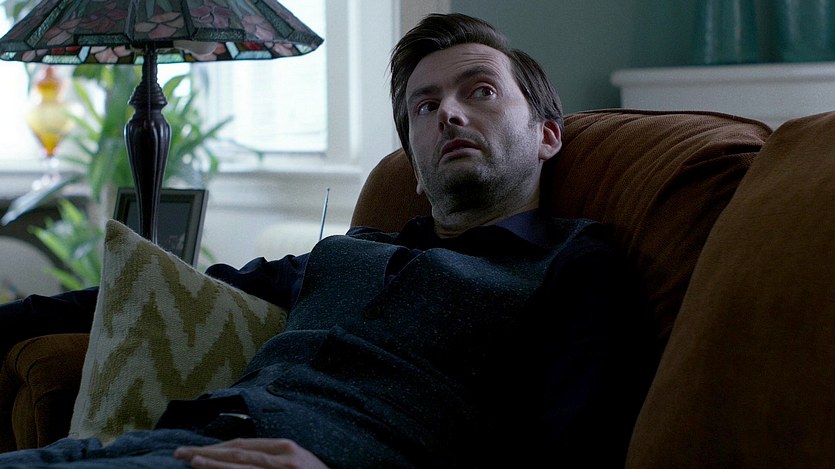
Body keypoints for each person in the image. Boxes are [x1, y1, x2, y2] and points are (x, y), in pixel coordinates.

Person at [0, 12, 654, 468]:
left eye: (479, 91)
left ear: (547, 136)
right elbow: (168, 292)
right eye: (425, 106)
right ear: (416, 171)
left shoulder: (574, 266)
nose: (450, 112)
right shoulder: (348, 253)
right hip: (164, 441)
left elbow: (567, 453)